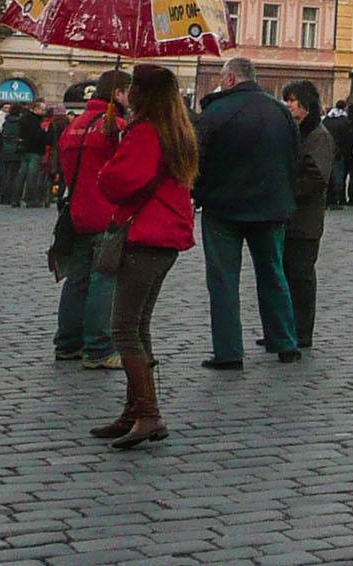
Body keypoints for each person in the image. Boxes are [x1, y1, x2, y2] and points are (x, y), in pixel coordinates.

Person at [91, 64, 199, 450]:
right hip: (165, 235)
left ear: (144, 93)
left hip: (145, 235)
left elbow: (119, 182)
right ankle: (135, 409)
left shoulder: (146, 132)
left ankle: (149, 413)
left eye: (134, 85)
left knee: (123, 328)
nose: (129, 90)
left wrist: (111, 154)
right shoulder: (175, 129)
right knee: (139, 326)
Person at [192, 57, 299, 369]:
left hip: (223, 207)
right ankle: (285, 343)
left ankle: (228, 352)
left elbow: (198, 160)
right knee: (273, 274)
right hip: (271, 206)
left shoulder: (215, 112)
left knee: (224, 280)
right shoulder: (280, 111)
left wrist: (198, 193)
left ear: (229, 79)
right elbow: (294, 157)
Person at [53, 72, 128, 370]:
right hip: (106, 212)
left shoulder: (74, 125)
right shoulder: (115, 127)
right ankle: (98, 347)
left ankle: (67, 343)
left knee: (77, 278)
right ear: (120, 93)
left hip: (77, 212)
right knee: (104, 279)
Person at [281, 82, 334, 351]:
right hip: (288, 218)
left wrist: (286, 191)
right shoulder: (295, 132)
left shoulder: (318, 135)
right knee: (286, 275)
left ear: (306, 104)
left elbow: (316, 177)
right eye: (287, 100)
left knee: (301, 276)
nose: (289, 105)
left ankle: (302, 332)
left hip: (305, 220)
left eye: (293, 100)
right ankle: (285, 330)